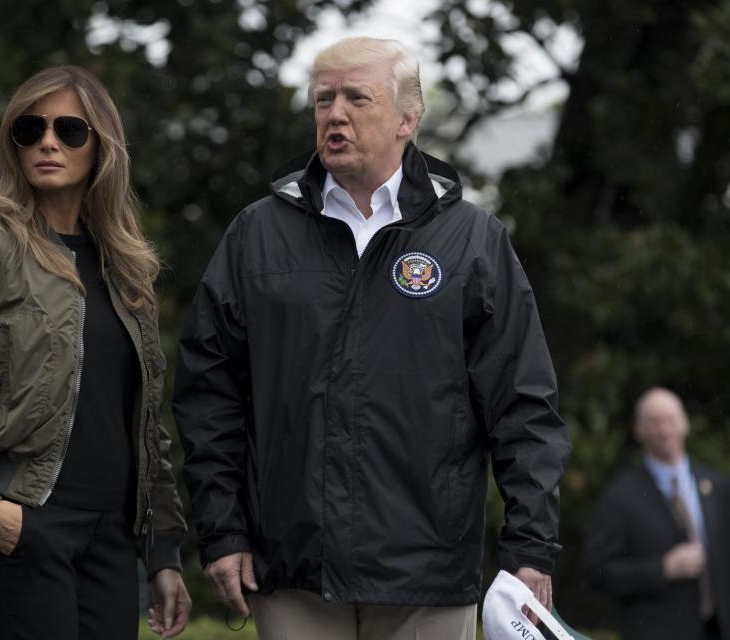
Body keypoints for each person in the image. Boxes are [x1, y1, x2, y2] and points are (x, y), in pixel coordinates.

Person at [172, 37, 571, 640]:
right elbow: (208, 396)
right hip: (294, 572)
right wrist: (223, 531)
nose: (335, 114)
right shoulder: (257, 236)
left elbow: (524, 407)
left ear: (407, 119)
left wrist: (532, 549)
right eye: (323, 99)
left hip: (429, 577)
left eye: (357, 98)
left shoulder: (472, 241)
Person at [0, 66, 191, 639]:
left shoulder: (125, 267)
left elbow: (146, 426)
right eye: (31, 128)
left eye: (71, 129)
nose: (48, 142)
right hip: (25, 523)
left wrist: (164, 549)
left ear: (103, 146)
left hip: (112, 538)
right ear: (14, 142)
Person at [582, 387, 730, 640]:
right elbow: (596, 572)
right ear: (639, 430)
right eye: (654, 422)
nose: (664, 429)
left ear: (685, 423)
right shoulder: (621, 496)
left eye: (670, 419)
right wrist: (662, 569)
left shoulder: (716, 486)